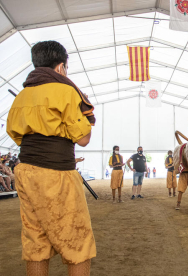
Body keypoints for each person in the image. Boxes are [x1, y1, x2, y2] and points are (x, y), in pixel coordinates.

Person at [7, 41, 96, 274]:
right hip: (56, 174)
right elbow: (84, 138)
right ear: (60, 68)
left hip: (26, 172)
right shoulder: (67, 90)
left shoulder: (22, 96)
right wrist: (86, 112)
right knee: (77, 240)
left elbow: (17, 136)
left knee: (36, 240)